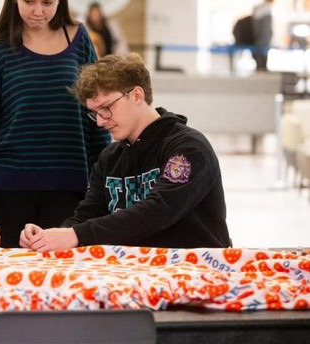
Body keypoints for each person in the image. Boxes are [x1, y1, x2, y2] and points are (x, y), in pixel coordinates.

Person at [0, 0, 111, 248]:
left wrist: (107, 177)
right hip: (8, 190)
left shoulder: (80, 40)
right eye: (28, 1)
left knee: (65, 271)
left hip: (71, 188)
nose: (38, 11)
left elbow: (97, 117)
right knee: (8, 271)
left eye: (47, 2)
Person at [20, 53, 231, 251]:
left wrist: (76, 235)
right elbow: (87, 216)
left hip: (195, 268)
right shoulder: (110, 158)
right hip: (134, 269)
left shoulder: (188, 148)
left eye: (106, 108)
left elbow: (159, 211)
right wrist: (50, 236)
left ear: (137, 95)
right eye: (95, 113)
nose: (100, 121)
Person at [251, 0, 276, 71]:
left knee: (262, 56)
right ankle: (261, 68)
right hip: (262, 38)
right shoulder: (265, 9)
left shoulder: (263, 7)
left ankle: (261, 68)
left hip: (262, 38)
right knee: (261, 56)